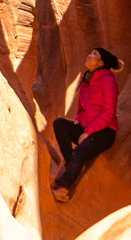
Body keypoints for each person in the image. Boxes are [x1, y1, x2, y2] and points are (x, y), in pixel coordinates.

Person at [50, 47, 122, 200]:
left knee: (80, 152)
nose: (89, 55)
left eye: (94, 54)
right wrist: (77, 121)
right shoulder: (86, 81)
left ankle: (63, 188)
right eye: (90, 52)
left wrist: (88, 131)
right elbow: (82, 109)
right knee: (59, 124)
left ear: (101, 63)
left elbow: (109, 112)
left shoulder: (108, 81)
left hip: (104, 132)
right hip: (87, 128)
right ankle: (71, 164)